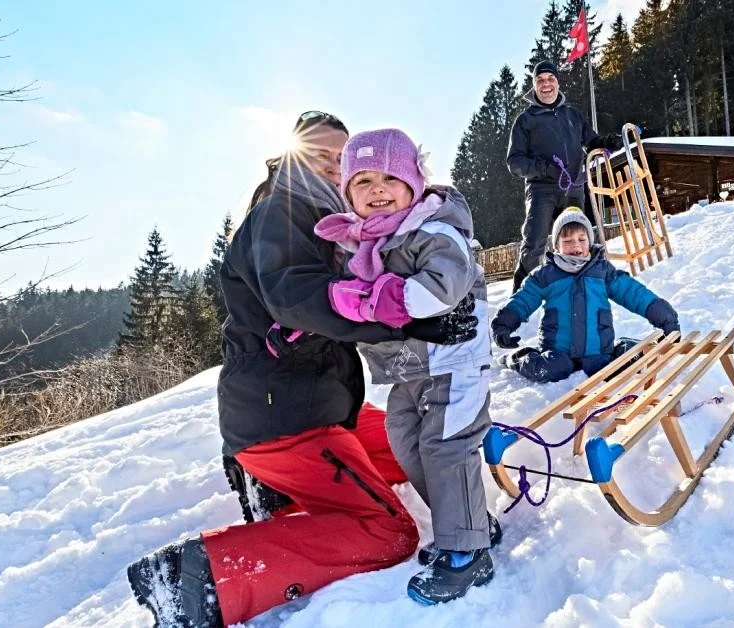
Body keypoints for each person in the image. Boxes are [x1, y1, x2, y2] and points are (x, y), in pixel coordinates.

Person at [126, 112, 481, 627]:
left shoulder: (337, 222)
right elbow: (297, 299)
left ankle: (280, 491)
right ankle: (202, 575)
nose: (332, 165)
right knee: (389, 532)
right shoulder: (280, 211)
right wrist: (402, 323)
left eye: (341, 158)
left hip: (330, 408)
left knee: (420, 444)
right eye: (319, 155)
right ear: (291, 158)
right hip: (284, 418)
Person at [315, 128, 497, 605]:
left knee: (445, 448)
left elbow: (443, 283)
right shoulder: (361, 245)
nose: (377, 190)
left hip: (456, 363)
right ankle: (468, 520)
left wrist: (377, 299)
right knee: (405, 439)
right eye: (363, 181)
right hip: (412, 369)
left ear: (414, 181)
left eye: (389, 178)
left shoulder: (433, 229)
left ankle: (469, 551)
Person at [491, 208, 680, 383]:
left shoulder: (602, 272)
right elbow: (524, 298)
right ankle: (516, 358)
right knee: (550, 370)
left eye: (582, 239)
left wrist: (666, 318)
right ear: (556, 245)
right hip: (558, 351)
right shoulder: (546, 275)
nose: (576, 246)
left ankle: (623, 348)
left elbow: (633, 294)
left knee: (611, 370)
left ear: (589, 241)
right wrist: (504, 324)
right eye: (567, 241)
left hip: (597, 351)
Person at [506, 60, 608, 293]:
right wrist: (545, 169)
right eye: (540, 80)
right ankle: (521, 297)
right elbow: (515, 162)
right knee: (534, 245)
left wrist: (605, 142)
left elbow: (592, 142)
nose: (546, 84)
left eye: (550, 79)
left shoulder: (572, 115)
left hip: (573, 190)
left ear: (557, 83)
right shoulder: (525, 121)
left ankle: (580, 288)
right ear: (534, 85)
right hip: (542, 191)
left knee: (578, 240)